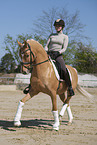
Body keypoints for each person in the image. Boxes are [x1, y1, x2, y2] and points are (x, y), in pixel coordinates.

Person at [45, 19, 74, 97]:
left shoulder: (65, 37)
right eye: (56, 26)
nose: (57, 27)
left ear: (62, 27)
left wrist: (58, 52)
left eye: (59, 26)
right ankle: (31, 86)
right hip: (49, 54)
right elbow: (46, 45)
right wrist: (46, 51)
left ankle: (70, 87)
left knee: (63, 69)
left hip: (58, 55)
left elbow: (64, 48)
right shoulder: (51, 35)